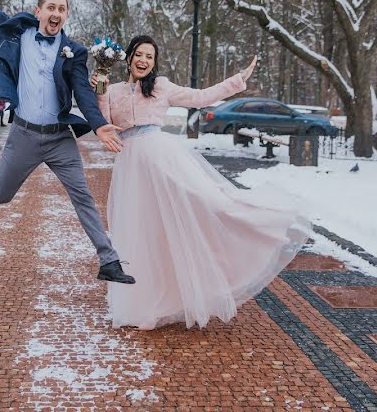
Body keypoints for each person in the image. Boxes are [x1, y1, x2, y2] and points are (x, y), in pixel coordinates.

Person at [92, 35, 310, 329]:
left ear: (154, 63)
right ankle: (141, 301)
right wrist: (101, 88)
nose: (143, 60)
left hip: (161, 158)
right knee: (139, 230)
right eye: (139, 54)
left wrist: (236, 81)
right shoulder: (114, 90)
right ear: (129, 57)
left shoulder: (161, 87)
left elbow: (200, 97)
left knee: (203, 205)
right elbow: (105, 124)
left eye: (149, 57)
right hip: (130, 165)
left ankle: (256, 223)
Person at [0, 0, 134, 285]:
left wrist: (99, 124)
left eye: (62, 9)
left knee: (82, 196)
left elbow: (81, 91)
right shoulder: (19, 35)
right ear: (38, 11)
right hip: (23, 135)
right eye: (50, 7)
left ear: (66, 16)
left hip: (59, 139)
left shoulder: (74, 52)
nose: (56, 13)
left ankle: (109, 260)